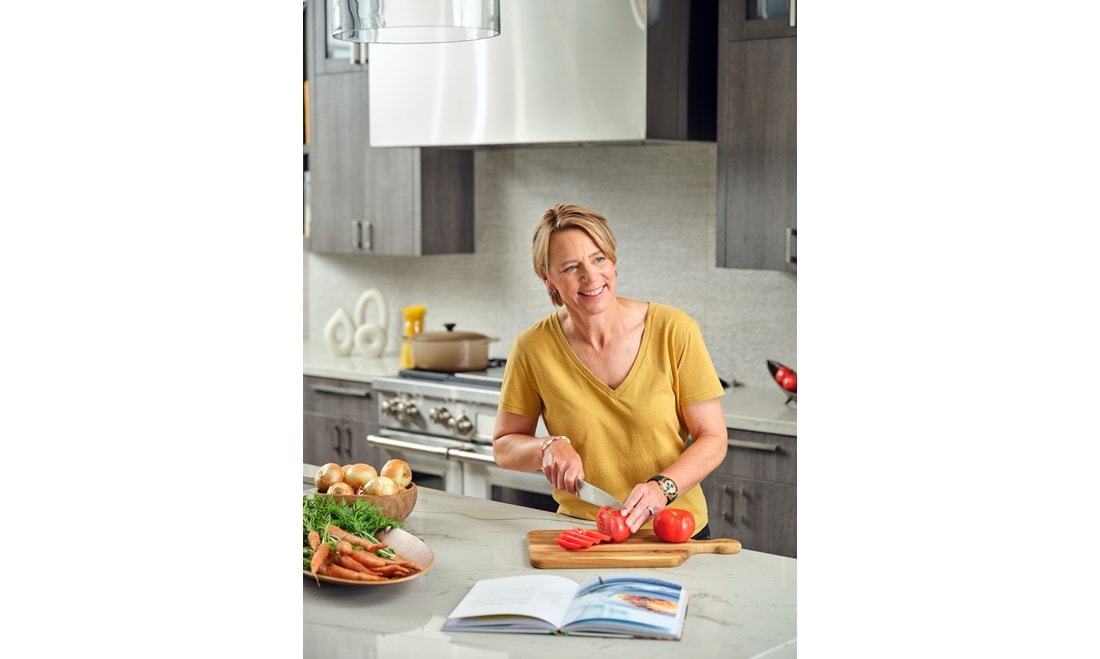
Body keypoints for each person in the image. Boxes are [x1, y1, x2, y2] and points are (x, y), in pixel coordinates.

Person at [492, 203, 728, 539]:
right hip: (585, 533)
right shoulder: (532, 348)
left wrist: (663, 488)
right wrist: (546, 447)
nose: (591, 277)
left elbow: (713, 438)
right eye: (571, 267)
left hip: (673, 531)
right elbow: (504, 446)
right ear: (547, 278)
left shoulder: (674, 330)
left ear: (613, 262)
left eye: (599, 259)